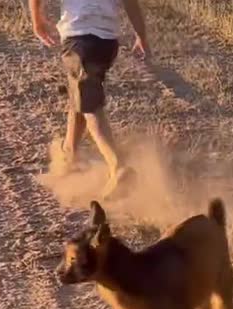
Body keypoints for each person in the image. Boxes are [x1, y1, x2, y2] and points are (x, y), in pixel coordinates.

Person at [29, 0, 150, 199]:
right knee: (80, 94)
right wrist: (141, 35)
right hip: (107, 43)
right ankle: (69, 154)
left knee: (89, 104)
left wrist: (37, 21)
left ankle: (117, 166)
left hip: (79, 37)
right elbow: (131, 3)